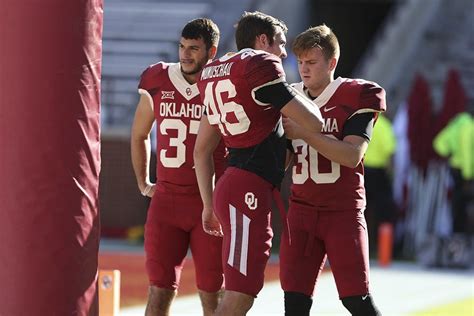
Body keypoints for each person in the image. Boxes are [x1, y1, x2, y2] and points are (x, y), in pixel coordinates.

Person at [194, 11, 324, 316]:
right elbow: (315, 122)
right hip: (246, 189)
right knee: (240, 292)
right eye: (279, 43)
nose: (282, 51)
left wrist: (208, 204)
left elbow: (201, 151)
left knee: (244, 289)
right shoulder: (259, 66)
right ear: (262, 40)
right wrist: (290, 93)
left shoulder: (218, 71)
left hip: (238, 184)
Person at [280, 25, 386, 316]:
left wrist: (304, 133)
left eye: (311, 62)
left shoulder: (357, 94)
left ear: (332, 63)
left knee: (356, 300)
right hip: (300, 211)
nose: (304, 69)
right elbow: (284, 162)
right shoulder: (289, 97)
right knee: (295, 302)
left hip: (342, 212)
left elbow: (352, 155)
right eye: (300, 61)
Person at [130, 18, 226, 316]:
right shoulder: (158, 78)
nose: (185, 54)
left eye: (193, 49)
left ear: (211, 51)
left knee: (213, 294)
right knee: (159, 291)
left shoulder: (222, 83)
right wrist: (143, 181)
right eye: (182, 47)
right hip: (167, 202)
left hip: (209, 203)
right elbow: (139, 134)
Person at [364, 114, 397, 254]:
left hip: (361, 170)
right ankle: (383, 247)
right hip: (378, 173)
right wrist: (391, 175)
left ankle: (362, 244)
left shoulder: (363, 121)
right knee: (383, 211)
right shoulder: (384, 126)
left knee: (361, 210)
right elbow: (390, 153)